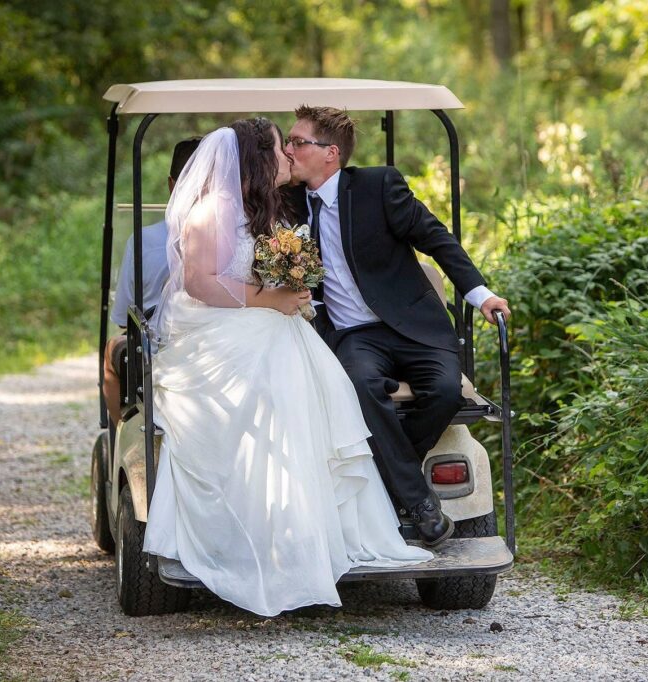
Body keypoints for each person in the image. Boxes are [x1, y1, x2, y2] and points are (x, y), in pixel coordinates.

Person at [142, 118, 432, 618]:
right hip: (218, 327)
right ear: (257, 159)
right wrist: (269, 297)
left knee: (311, 380)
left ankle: (308, 530)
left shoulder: (257, 209)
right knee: (282, 376)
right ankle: (269, 533)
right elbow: (199, 284)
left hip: (259, 319)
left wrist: (284, 294)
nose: (288, 158)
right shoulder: (212, 210)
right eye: (280, 150)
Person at [285, 106, 511, 547]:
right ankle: (421, 505)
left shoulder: (377, 186)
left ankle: (391, 484)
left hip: (413, 326)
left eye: (297, 142)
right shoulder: (289, 202)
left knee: (446, 392)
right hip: (354, 335)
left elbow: (436, 238)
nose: (288, 149)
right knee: (359, 385)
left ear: (330, 153)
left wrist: (481, 295)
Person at [102, 137, 200, 426]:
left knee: (112, 348)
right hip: (216, 337)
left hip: (160, 345)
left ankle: (124, 428)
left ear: (172, 184)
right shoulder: (234, 236)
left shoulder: (144, 241)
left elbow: (123, 317)